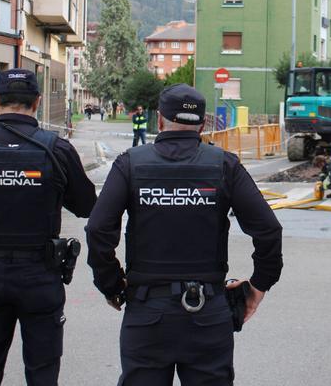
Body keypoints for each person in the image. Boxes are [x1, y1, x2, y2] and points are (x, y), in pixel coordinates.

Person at [86, 83, 283, 385]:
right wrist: (259, 285)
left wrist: (111, 284)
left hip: (147, 311)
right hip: (208, 313)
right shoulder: (224, 165)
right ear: (202, 124)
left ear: (161, 120)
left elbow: (99, 228)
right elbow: (268, 229)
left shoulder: (131, 163)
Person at [0, 68, 97, 385]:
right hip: (39, 276)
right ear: (37, 102)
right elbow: (86, 205)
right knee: (42, 374)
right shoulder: (56, 149)